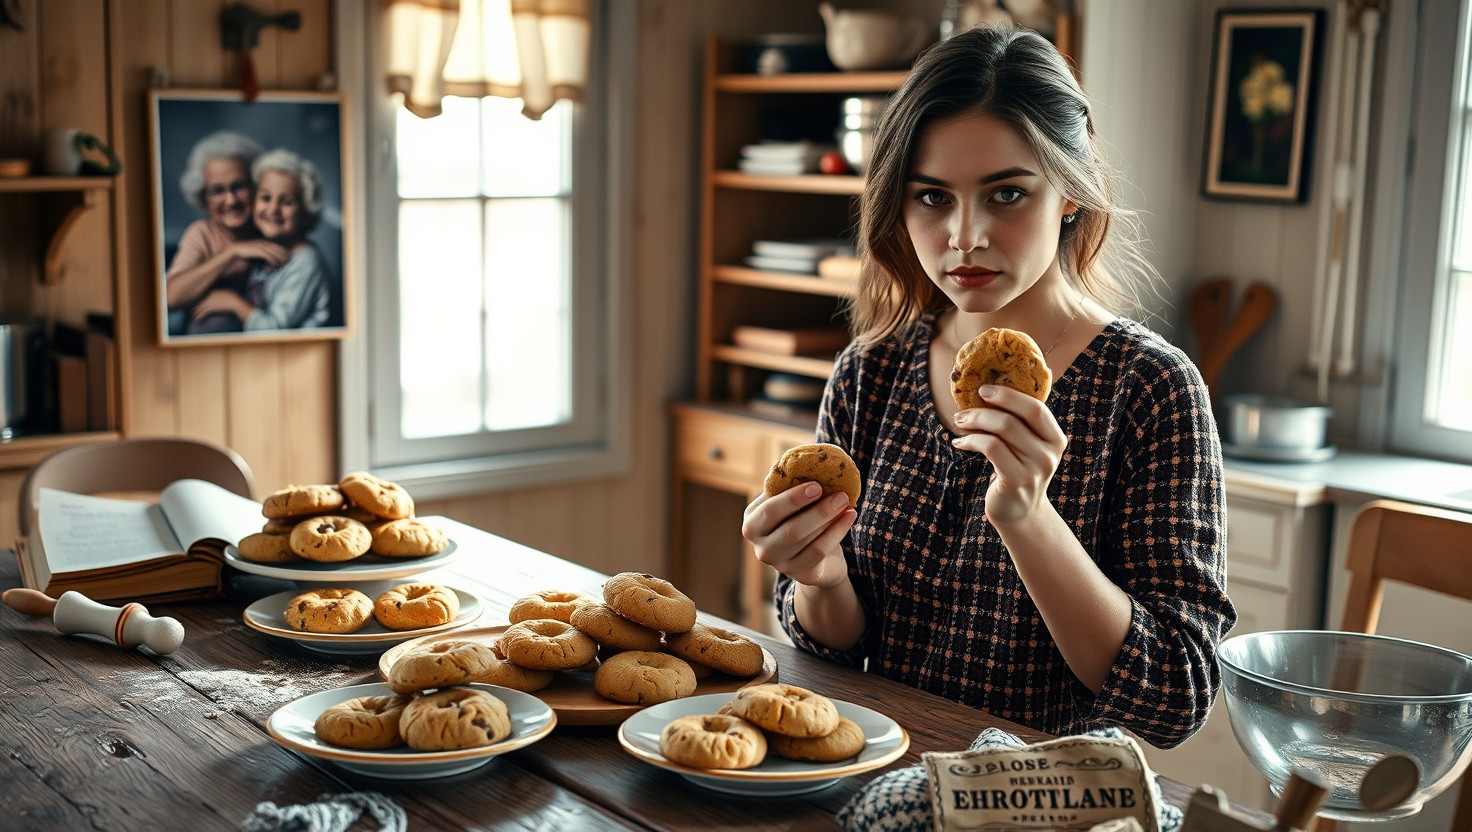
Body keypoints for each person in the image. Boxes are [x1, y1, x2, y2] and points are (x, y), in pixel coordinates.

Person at [741, 25, 1235, 749]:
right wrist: (819, 576)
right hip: (880, 778)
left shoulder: (1151, 390)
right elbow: (836, 650)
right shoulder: (871, 371)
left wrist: (1029, 519)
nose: (965, 235)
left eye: (1006, 193)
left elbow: (1175, 699)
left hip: (1046, 796)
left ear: (1070, 193)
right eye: (932, 197)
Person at [188, 148, 333, 331]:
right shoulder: (262, 250)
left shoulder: (305, 263)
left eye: (287, 202)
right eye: (265, 198)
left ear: (306, 213)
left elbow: (273, 330)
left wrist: (233, 303)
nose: (273, 209)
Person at [165, 131, 290, 335]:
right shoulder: (202, 233)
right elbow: (171, 298)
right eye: (217, 191)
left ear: (256, 186)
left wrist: (232, 301)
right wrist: (231, 253)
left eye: (239, 186)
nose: (231, 200)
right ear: (203, 198)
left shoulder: (269, 226)